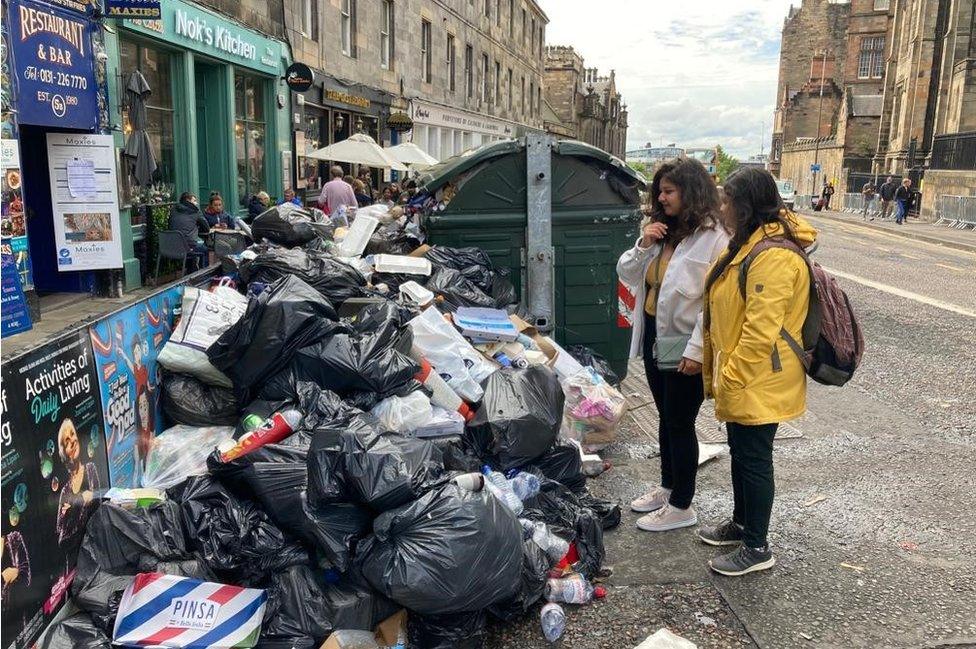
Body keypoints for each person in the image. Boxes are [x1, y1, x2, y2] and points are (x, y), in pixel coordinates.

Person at [698, 166, 816, 576]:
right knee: (741, 452)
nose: (723, 208)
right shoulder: (748, 245)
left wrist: (730, 377)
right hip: (747, 375)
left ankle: (757, 546)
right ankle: (742, 522)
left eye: (728, 200)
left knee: (754, 458)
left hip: (760, 377)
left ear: (746, 205)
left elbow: (759, 333)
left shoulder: (774, 257)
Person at [617, 158, 731, 533]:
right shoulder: (662, 233)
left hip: (687, 344)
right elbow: (628, 276)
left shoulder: (716, 237)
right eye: (659, 191)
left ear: (691, 192)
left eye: (669, 191)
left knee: (680, 421)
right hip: (655, 336)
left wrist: (697, 350)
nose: (661, 198)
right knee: (665, 417)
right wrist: (643, 243)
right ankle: (667, 487)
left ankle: (682, 505)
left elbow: (715, 301)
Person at [55, 418, 100, 545]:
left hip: (96, 545)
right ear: (63, 452)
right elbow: (61, 534)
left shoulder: (90, 469)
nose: (72, 442)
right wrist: (81, 502)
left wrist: (73, 510)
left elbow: (98, 508)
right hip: (76, 559)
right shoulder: (65, 491)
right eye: (66, 441)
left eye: (72, 434)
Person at [168, 192, 210, 266]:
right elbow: (207, 228)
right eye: (194, 201)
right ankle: (204, 275)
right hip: (188, 247)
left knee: (190, 242)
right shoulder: (195, 211)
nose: (196, 203)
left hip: (172, 246)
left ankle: (191, 271)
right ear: (188, 200)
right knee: (205, 249)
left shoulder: (173, 210)